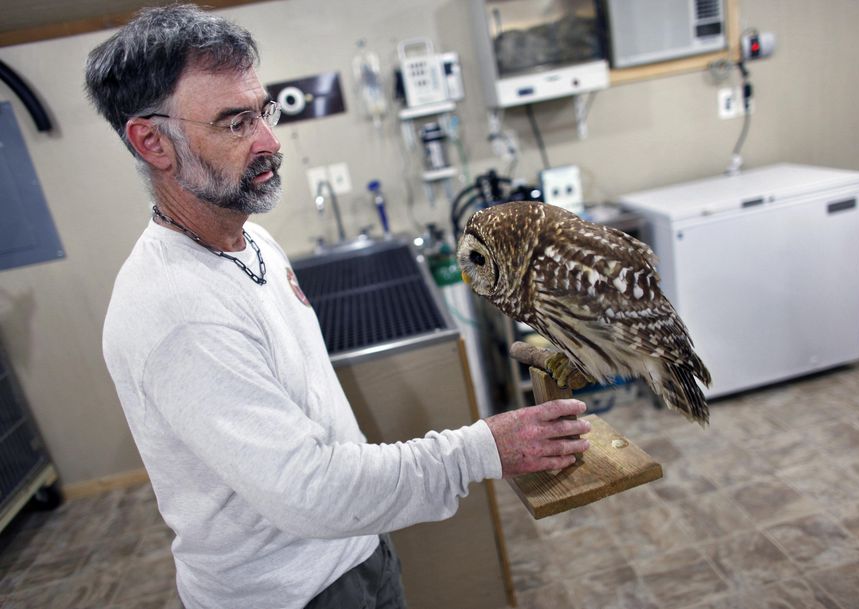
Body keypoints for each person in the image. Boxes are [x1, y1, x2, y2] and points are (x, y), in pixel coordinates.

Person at [86, 5, 591, 609]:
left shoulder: (250, 238)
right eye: (234, 122)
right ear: (151, 141)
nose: (270, 141)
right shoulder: (176, 312)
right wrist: (483, 450)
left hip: (353, 548)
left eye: (264, 111)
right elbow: (308, 492)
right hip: (288, 593)